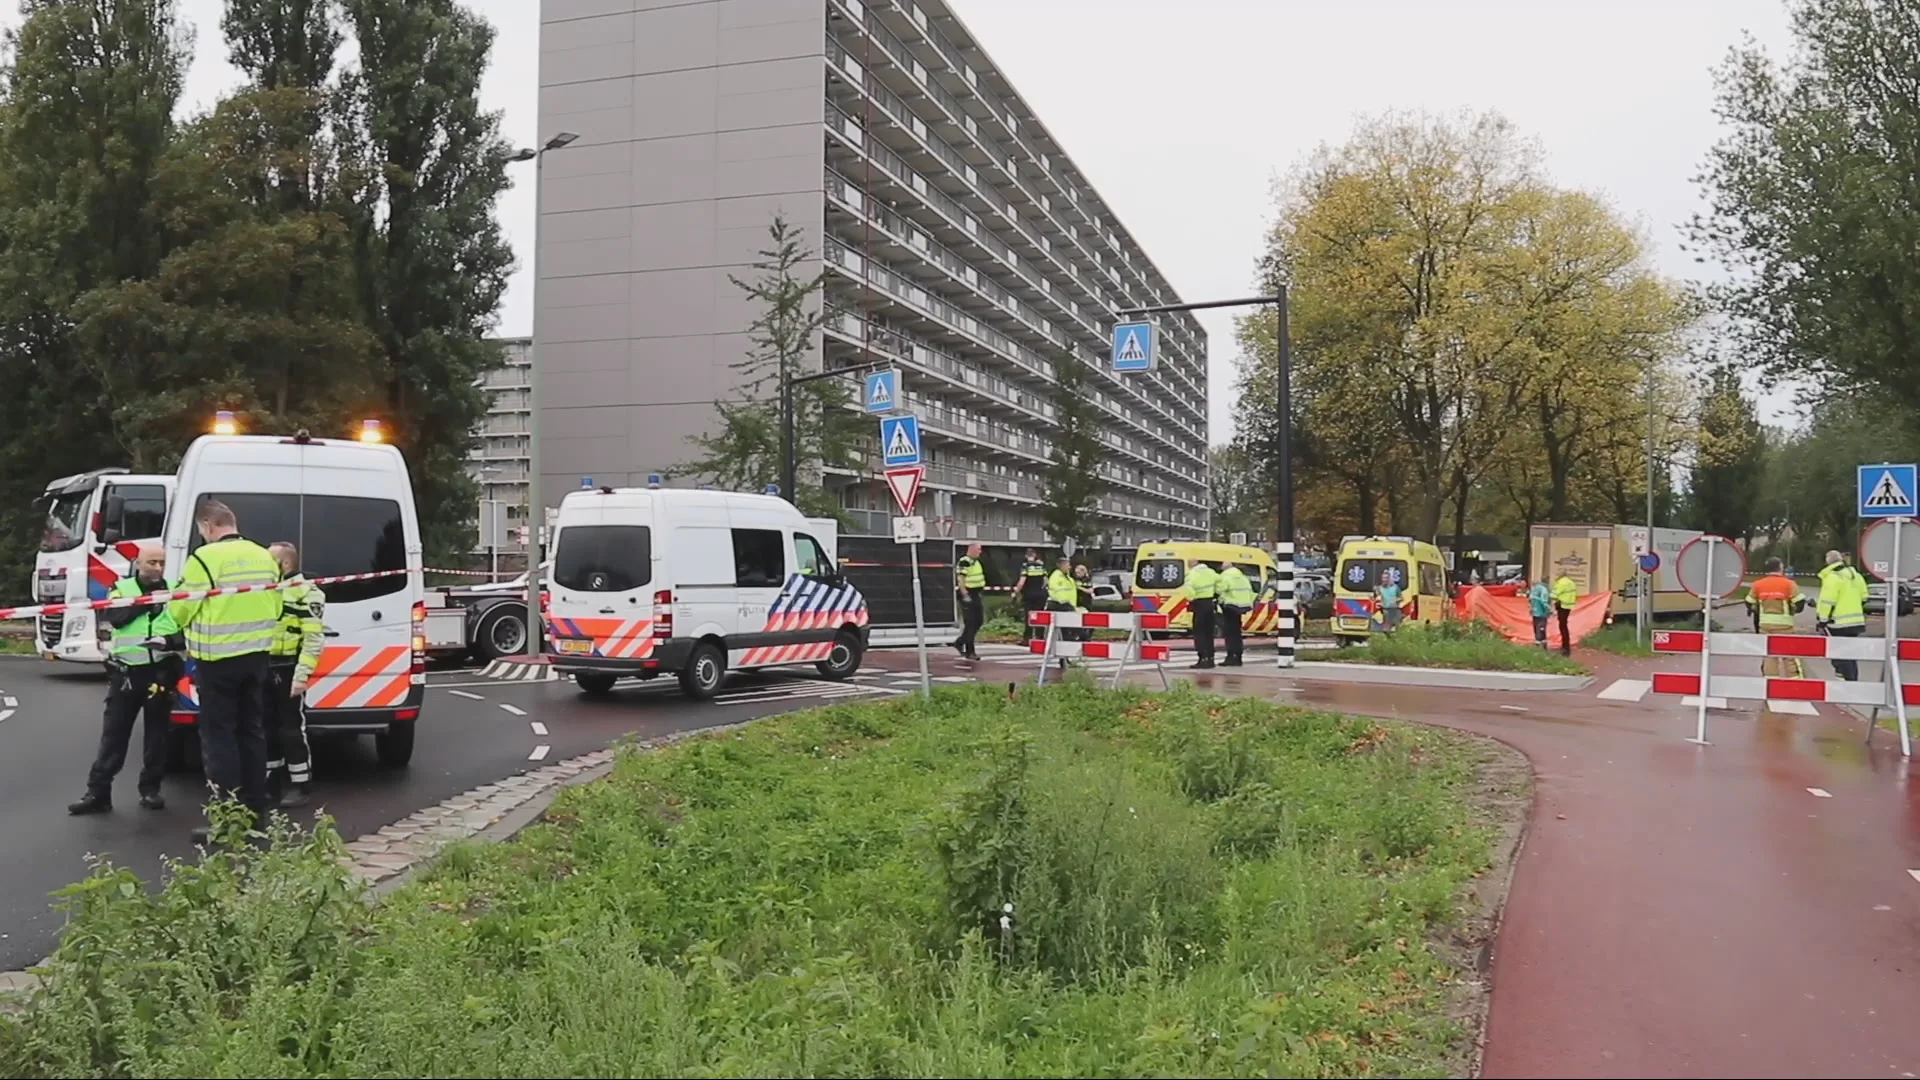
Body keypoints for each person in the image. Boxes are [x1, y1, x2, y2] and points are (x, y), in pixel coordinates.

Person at [168, 500, 284, 839]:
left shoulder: (205, 558)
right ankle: (256, 813)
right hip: (257, 657)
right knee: (252, 733)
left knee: (220, 739)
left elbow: (182, 609)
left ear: (207, 526)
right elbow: (276, 605)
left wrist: (172, 616)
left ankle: (228, 819)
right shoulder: (264, 555)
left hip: (217, 660)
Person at [67, 544, 183, 815]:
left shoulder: (176, 591)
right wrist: (147, 604)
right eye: (151, 562)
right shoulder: (123, 589)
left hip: (161, 672)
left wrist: (169, 642)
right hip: (127, 673)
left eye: (161, 563)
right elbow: (115, 618)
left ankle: (150, 790)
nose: (157, 568)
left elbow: (187, 628)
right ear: (138, 563)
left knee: (157, 737)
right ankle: (97, 793)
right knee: (114, 736)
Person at [265, 542, 326, 808]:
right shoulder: (265, 590)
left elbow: (313, 640)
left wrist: (301, 677)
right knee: (266, 728)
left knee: (290, 729)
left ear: (285, 564)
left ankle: (301, 785)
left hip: (288, 667)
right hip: (264, 667)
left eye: (270, 561)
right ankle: (271, 784)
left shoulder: (307, 593)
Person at [1746, 557, 1808, 677]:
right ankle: (1795, 684)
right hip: (1784, 625)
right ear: (1781, 568)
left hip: (1765, 625)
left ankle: (1771, 684)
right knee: (1789, 656)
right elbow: (1799, 602)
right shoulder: (1789, 584)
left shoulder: (1758, 584)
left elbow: (1749, 602)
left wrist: (1757, 610)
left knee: (1769, 656)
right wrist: (1793, 611)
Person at [1815, 549, 1869, 681]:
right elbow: (1864, 597)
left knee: (1839, 656)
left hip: (1838, 623)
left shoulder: (1833, 577)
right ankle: (1852, 682)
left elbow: (1827, 601)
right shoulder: (1856, 576)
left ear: (1827, 562)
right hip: (1856, 622)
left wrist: (1822, 620)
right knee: (1850, 655)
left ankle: (1844, 685)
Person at [953, 543, 985, 661]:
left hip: (976, 594)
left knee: (979, 621)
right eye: (978, 549)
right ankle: (970, 652)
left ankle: (960, 642)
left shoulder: (975, 562)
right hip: (967, 594)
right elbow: (961, 579)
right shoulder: (965, 561)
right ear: (971, 550)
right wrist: (965, 594)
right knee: (970, 623)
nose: (980, 551)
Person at [1216, 562, 1253, 667]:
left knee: (1229, 633)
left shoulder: (1225, 576)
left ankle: (1231, 656)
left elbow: (1219, 589)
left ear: (1225, 567)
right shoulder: (1242, 577)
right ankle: (1238, 657)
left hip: (1230, 606)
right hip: (1241, 607)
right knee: (1237, 633)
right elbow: (1250, 591)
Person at [1045, 556, 1078, 668]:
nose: (1070, 567)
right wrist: (1066, 605)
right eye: (1068, 564)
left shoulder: (1066, 576)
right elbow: (1058, 592)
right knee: (1064, 634)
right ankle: (1062, 658)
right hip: (1060, 606)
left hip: (1066, 606)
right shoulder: (1057, 577)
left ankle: (1064, 658)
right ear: (1062, 565)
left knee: (1066, 634)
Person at [1187, 559, 1220, 669]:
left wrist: (1192, 599)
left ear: (1192, 565)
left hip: (1199, 604)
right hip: (1210, 603)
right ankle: (1211, 658)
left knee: (1199, 632)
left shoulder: (1192, 574)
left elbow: (1188, 590)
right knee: (1209, 632)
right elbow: (1220, 583)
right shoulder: (1211, 572)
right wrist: (1215, 594)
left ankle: (1202, 658)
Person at [1019, 547, 1048, 643]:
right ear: (1035, 555)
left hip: (1029, 595)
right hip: (1040, 595)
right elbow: (1045, 581)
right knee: (1040, 616)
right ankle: (1040, 637)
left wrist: (1016, 592)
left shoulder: (1026, 566)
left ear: (1026, 556)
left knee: (1029, 616)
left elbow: (1022, 582)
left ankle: (1027, 638)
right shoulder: (1041, 566)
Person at [1551, 572, 1580, 657]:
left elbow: (1554, 595)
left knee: (1562, 626)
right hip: (1568, 606)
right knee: (1564, 625)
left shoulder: (1561, 582)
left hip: (1562, 605)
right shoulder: (1572, 583)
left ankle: (1565, 647)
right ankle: (1566, 645)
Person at [1525, 577, 1553, 650]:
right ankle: (1539, 644)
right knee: (1541, 628)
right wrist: (1550, 610)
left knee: (1537, 627)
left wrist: (1531, 609)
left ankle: (1543, 643)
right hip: (1542, 612)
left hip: (1535, 612)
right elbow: (1544, 601)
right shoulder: (1543, 589)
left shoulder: (1533, 589)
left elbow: (1530, 600)